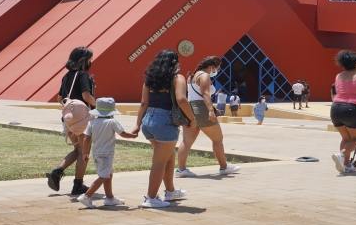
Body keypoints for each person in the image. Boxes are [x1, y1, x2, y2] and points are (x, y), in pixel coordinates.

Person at [132, 49, 194, 208]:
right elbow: (181, 99)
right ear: (174, 63)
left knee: (168, 157)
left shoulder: (150, 79)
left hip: (148, 122)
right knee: (159, 162)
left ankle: (170, 191)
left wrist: (138, 124)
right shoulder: (177, 78)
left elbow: (143, 103)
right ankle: (151, 198)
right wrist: (191, 118)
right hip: (165, 121)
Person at [177, 56, 241, 177]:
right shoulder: (204, 76)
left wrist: (212, 108)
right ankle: (224, 167)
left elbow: (195, 96)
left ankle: (181, 169)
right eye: (217, 68)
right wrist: (211, 110)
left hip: (190, 109)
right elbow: (205, 94)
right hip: (202, 110)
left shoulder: (192, 76)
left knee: (186, 142)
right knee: (217, 139)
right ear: (212, 67)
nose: (218, 70)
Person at [46, 47, 96, 195]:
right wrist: (99, 107)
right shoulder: (83, 75)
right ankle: (78, 185)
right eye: (89, 60)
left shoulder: (66, 76)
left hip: (68, 120)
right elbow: (86, 96)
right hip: (82, 120)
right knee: (84, 151)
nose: (89, 62)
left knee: (77, 150)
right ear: (83, 61)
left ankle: (57, 170)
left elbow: (60, 99)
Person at [77, 98, 139, 209]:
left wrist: (84, 153)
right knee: (103, 176)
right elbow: (123, 134)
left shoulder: (92, 122)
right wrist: (133, 135)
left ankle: (110, 198)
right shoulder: (112, 122)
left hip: (96, 153)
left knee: (108, 175)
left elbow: (86, 138)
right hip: (106, 154)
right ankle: (86, 196)